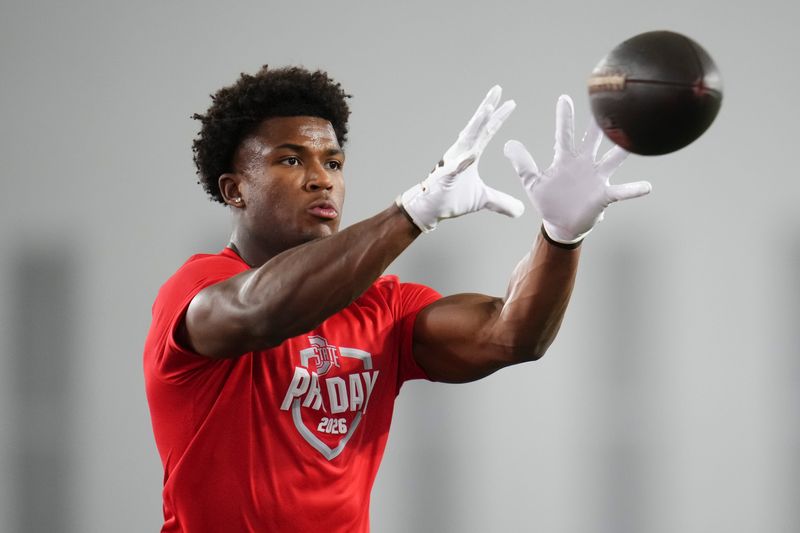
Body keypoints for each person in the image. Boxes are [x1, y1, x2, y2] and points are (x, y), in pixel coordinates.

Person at [143, 65, 651, 532]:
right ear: (235, 191)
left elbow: (511, 335)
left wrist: (561, 236)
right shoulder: (196, 290)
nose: (322, 178)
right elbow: (263, 310)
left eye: (334, 162)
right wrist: (411, 212)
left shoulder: (383, 305)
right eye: (291, 159)